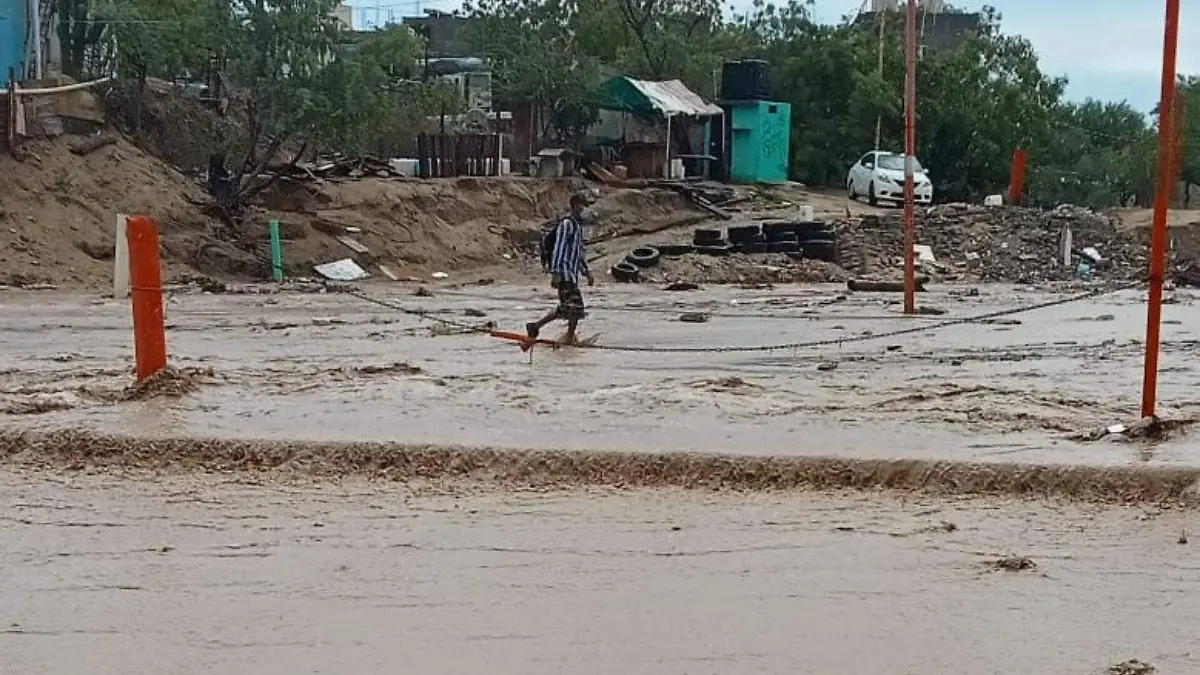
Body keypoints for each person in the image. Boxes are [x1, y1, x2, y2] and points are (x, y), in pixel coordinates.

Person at [527, 191, 595, 345]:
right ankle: (539, 327)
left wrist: (587, 272)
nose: (585, 209)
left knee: (573, 309)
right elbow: (559, 248)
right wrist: (556, 273)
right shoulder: (567, 224)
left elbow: (578, 252)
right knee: (572, 307)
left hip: (572, 274)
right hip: (564, 273)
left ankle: (546, 330)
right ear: (575, 206)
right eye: (583, 206)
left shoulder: (577, 227)